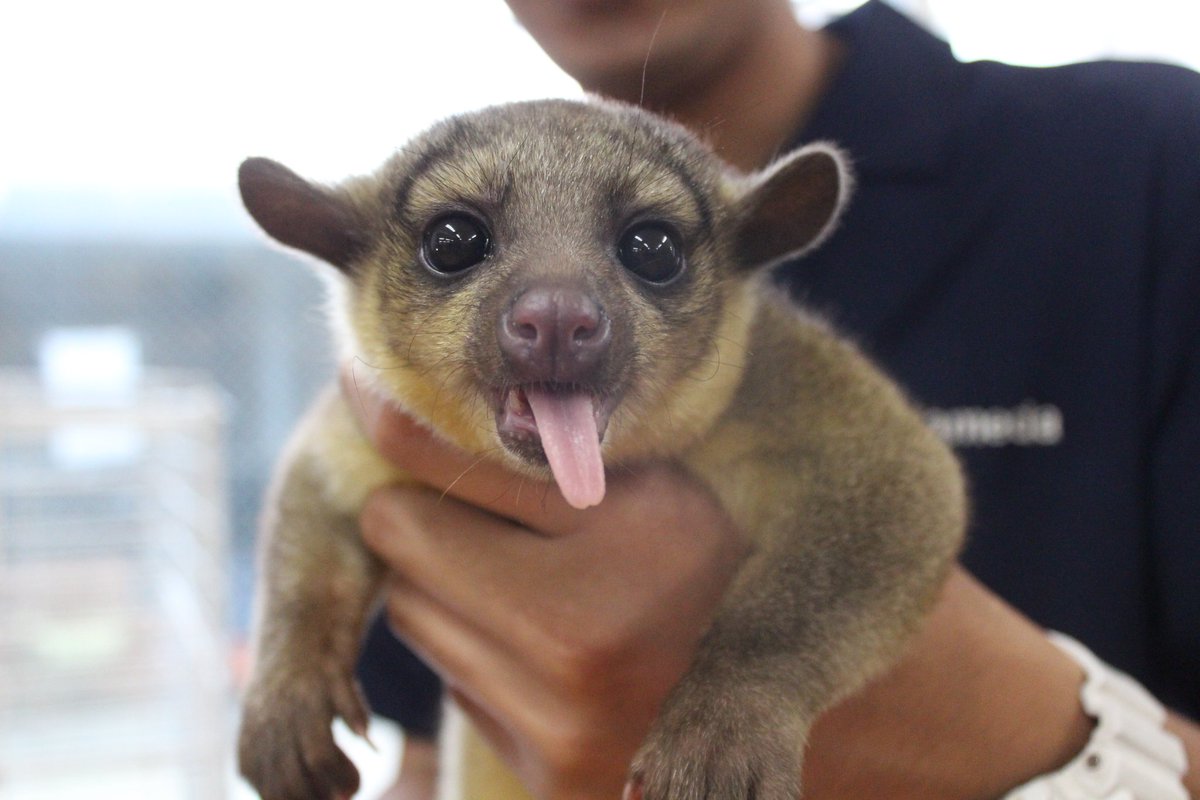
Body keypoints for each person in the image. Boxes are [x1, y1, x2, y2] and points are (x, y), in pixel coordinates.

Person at [351, 0, 1200, 797]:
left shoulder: (1144, 164)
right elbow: (426, 755)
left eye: (652, 248)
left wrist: (1031, 740)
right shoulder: (440, 278)